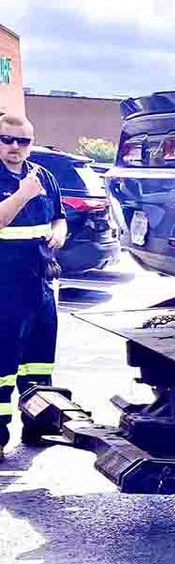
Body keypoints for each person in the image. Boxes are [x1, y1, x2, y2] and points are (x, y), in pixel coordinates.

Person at [0, 113, 66, 459]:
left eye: (22, 141)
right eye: (7, 139)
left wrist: (58, 232)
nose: (14, 147)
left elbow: (59, 216)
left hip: (39, 284)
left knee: (39, 362)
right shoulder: (24, 183)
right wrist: (23, 194)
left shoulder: (45, 177)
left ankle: (38, 425)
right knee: (2, 363)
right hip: (3, 286)